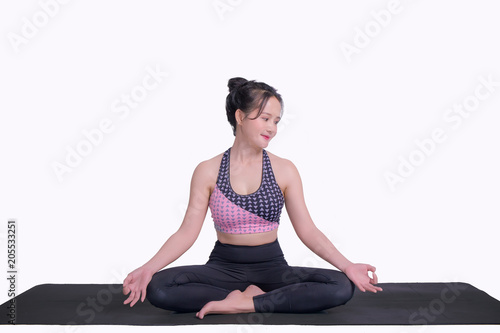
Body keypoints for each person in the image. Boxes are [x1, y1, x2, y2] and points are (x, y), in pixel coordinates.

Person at [122, 77, 382, 319]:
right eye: (266, 118)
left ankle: (245, 302)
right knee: (159, 288)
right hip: (222, 268)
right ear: (240, 117)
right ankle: (261, 299)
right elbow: (186, 233)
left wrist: (347, 266)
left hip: (272, 268)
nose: (272, 128)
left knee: (339, 286)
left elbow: (308, 231)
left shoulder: (285, 170)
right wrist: (148, 268)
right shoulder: (208, 170)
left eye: (277, 121)